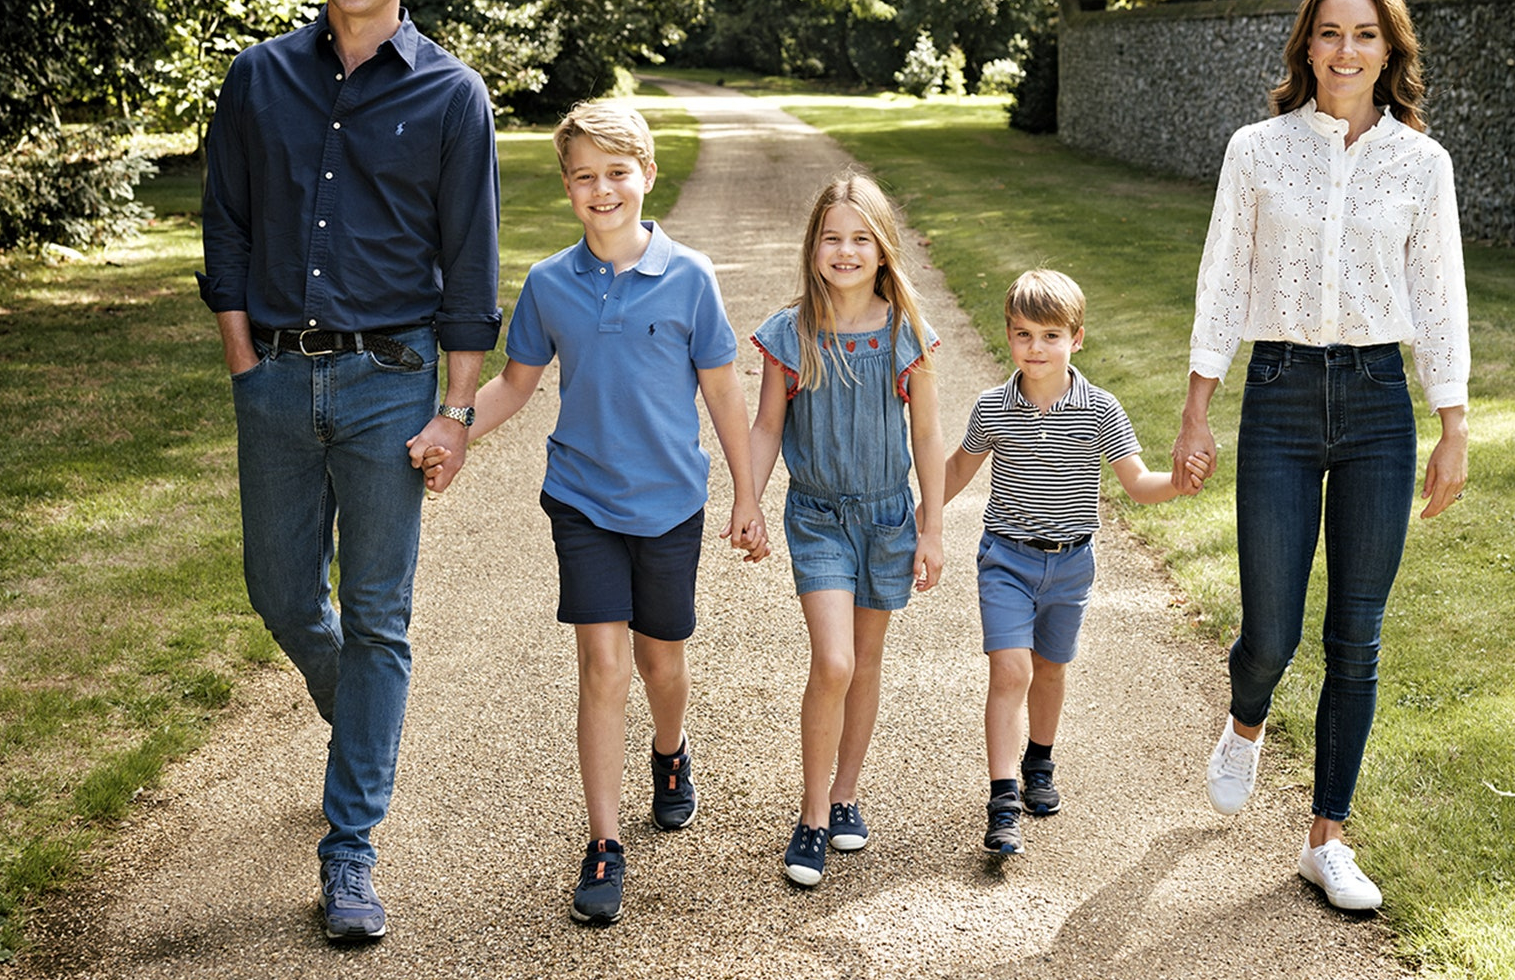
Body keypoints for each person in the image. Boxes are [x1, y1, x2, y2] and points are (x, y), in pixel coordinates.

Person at [198, 0, 501, 943]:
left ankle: (350, 854)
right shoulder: (259, 79)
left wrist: (456, 410)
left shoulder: (453, 96)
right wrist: (244, 361)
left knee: (378, 615)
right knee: (281, 593)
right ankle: (359, 723)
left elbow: (470, 269)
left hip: (388, 386)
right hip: (275, 378)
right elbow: (224, 229)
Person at [1171, 0, 1470, 912]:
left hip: (1380, 400)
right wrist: (1195, 407)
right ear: (1306, 44)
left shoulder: (1421, 164)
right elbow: (1222, 278)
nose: (1346, 50)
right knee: (1271, 629)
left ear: (1391, 51)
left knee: (1356, 633)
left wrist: (1450, 422)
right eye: (1330, 32)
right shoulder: (1256, 149)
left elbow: (1439, 298)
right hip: (1280, 393)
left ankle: (1326, 837)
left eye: (1365, 34)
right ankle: (1246, 719)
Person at [441, 99, 766, 926]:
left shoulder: (689, 276)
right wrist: (454, 426)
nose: (601, 189)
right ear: (567, 187)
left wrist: (747, 495)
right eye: (583, 176)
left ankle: (669, 752)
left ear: (646, 176)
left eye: (616, 172)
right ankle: (602, 842)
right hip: (581, 499)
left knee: (661, 666)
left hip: (668, 505)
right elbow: (517, 383)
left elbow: (725, 391)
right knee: (602, 668)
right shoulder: (550, 283)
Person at [932, 270, 1207, 857]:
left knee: (1050, 670)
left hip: (1072, 566)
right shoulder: (991, 409)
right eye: (1024, 335)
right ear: (1008, 336)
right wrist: (921, 521)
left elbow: (1136, 482)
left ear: (1076, 339)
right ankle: (1002, 799)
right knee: (1012, 673)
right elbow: (955, 471)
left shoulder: (1102, 410)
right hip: (1006, 559)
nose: (1036, 348)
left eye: (1050, 335)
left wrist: (1177, 485)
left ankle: (1039, 761)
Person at [749, 175, 945, 888]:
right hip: (819, 517)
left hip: (888, 517)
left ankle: (845, 793)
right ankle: (808, 815)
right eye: (832, 236)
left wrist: (931, 526)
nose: (845, 250)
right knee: (831, 661)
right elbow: (767, 424)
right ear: (812, 246)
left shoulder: (904, 333)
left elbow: (926, 434)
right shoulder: (790, 331)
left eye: (860, 237)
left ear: (882, 249)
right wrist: (748, 497)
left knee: (864, 661)